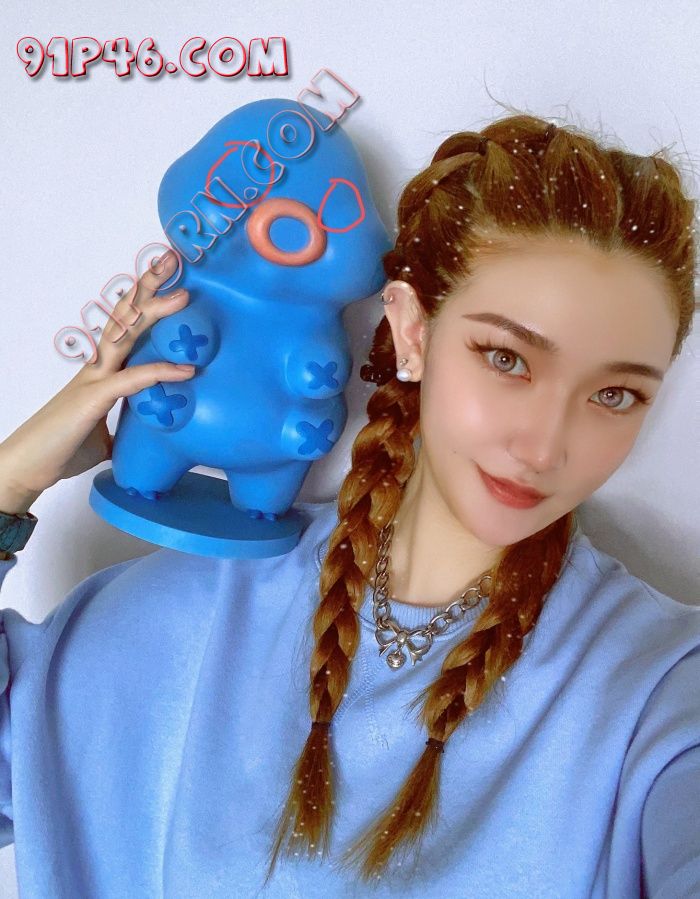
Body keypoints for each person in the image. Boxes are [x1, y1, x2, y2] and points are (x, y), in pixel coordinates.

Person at [0, 113, 697, 899]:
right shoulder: (193, 609)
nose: (543, 446)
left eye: (615, 394)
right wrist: (9, 480)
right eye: (506, 358)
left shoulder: (657, 684)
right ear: (412, 331)